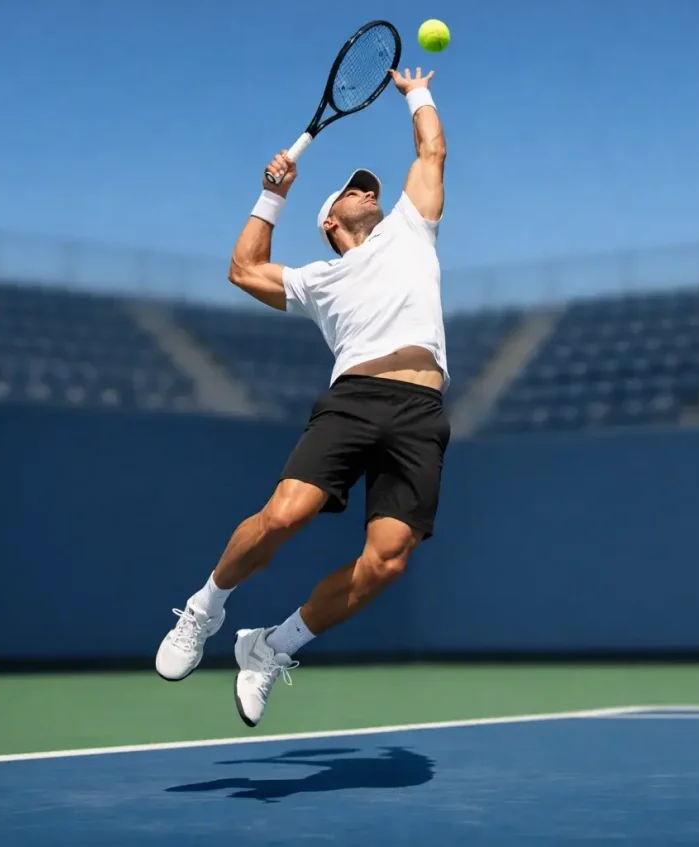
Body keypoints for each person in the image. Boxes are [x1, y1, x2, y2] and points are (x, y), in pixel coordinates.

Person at [154, 67, 449, 728]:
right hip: (357, 397)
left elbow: (431, 151)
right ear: (331, 223)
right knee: (286, 516)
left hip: (422, 412)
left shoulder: (412, 228)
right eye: (353, 191)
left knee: (388, 561)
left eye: (368, 188)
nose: (366, 193)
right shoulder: (320, 277)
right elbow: (244, 270)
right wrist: (271, 197)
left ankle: (271, 646)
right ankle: (203, 609)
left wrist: (417, 93)